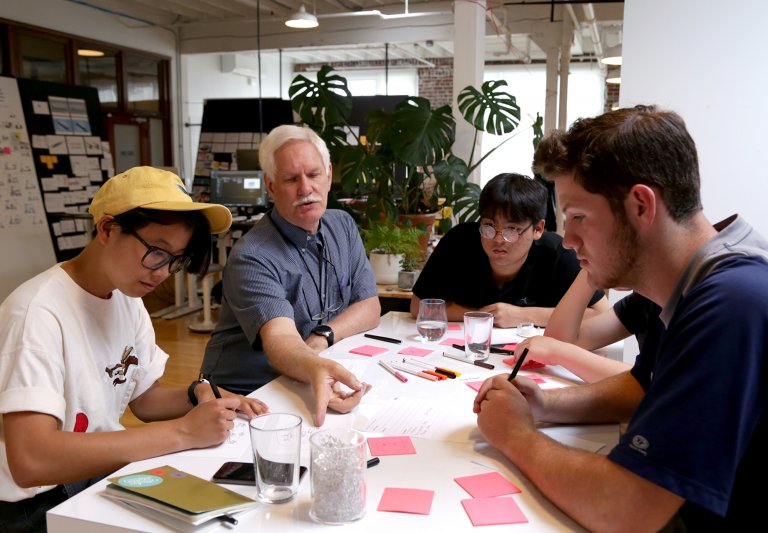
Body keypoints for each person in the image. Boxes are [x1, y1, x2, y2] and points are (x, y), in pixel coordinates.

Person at [474, 105, 768, 530]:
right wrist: (543, 405)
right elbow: (643, 388)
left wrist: (517, 435)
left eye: (578, 217)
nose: (568, 240)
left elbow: (628, 509)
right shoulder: (683, 281)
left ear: (641, 206)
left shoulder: (730, 302)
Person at [0, 166, 268, 532]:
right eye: (157, 251)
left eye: (176, 259)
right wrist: (183, 433)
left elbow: (142, 398)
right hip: (34, 507)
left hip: (96, 476)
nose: (162, 272)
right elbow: (31, 460)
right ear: (108, 229)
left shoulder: (126, 297)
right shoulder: (37, 313)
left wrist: (198, 394)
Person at [200, 125, 380, 427]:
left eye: (313, 174)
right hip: (243, 399)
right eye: (291, 179)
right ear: (271, 186)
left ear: (329, 174)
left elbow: (370, 306)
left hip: (305, 378)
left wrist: (322, 338)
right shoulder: (252, 254)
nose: (306, 188)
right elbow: (280, 339)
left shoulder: (342, 226)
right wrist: (316, 365)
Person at [410, 172, 609, 327]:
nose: (498, 239)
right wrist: (483, 315)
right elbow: (418, 307)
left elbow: (601, 314)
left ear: (538, 229)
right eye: (489, 226)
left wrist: (522, 315)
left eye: (512, 230)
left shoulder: (557, 253)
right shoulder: (459, 242)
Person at [510, 270, 657, 382]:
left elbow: (656, 382)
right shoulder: (644, 301)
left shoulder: (678, 304)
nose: (568, 243)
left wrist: (559, 352)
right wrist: (590, 269)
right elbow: (559, 339)